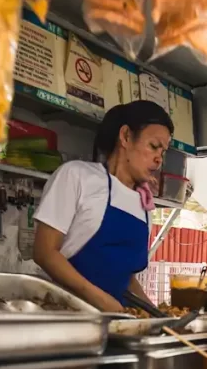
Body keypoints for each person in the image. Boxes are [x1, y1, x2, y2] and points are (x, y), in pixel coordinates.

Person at [32, 101, 172, 312]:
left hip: (117, 327)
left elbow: (126, 279)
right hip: (65, 317)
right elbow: (44, 252)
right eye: (154, 146)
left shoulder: (143, 205)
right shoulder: (77, 176)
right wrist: (102, 301)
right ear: (125, 136)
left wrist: (155, 314)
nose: (158, 159)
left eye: (163, 152)